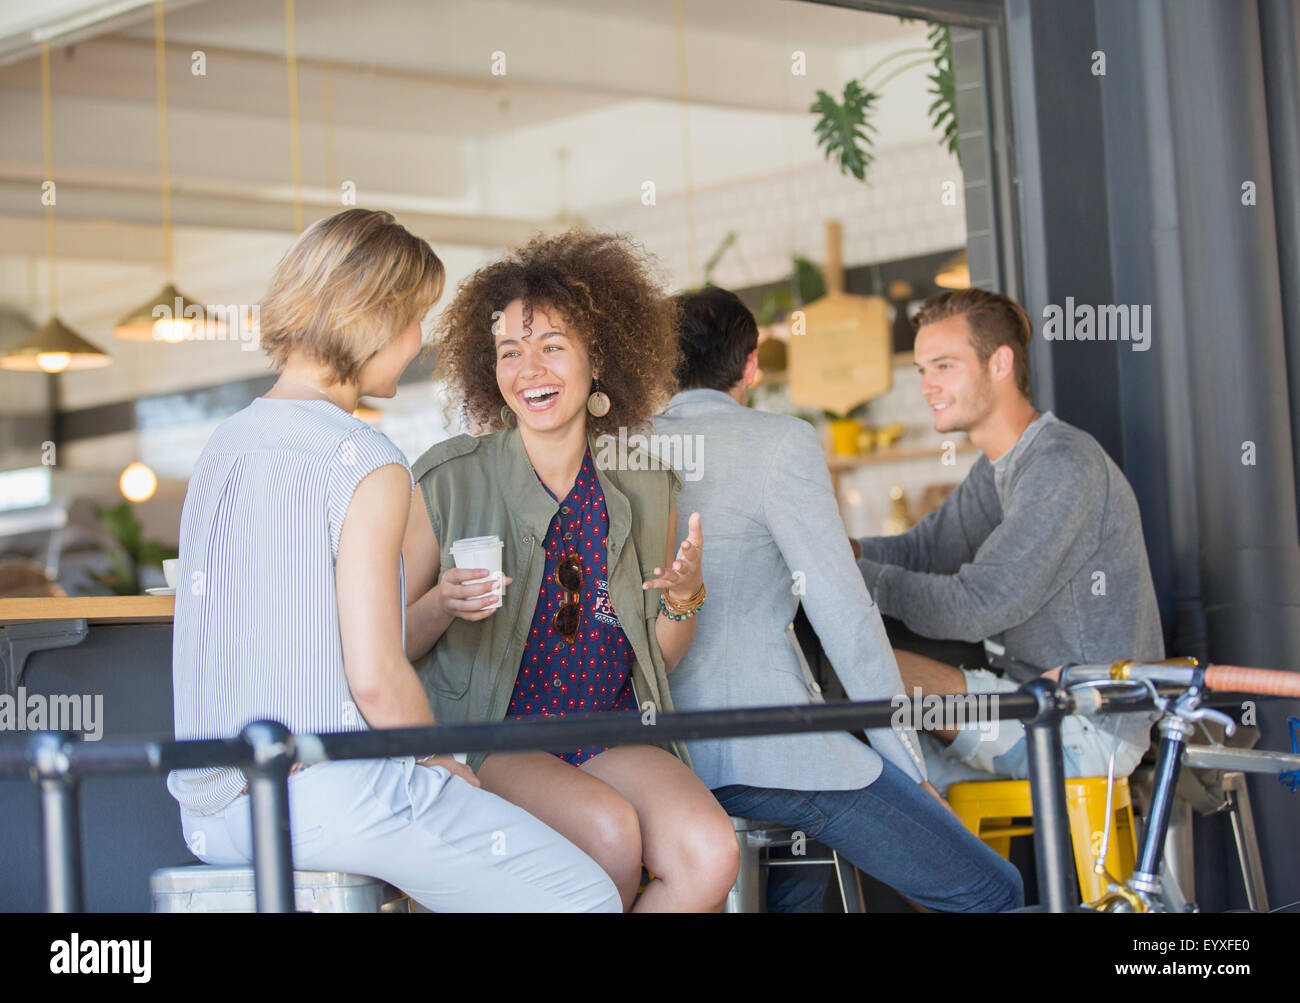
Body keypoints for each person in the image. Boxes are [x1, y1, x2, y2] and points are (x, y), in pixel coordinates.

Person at [168, 209, 620, 913]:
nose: (419, 343)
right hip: (331, 797)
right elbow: (376, 677)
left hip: (213, 814)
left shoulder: (223, 446)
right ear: (370, 317)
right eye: (414, 319)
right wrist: (441, 759)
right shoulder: (365, 460)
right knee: (584, 894)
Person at [653, 285, 1023, 913]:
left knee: (795, 884)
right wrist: (911, 766)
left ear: (660, 365)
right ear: (751, 366)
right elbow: (846, 620)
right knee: (990, 889)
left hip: (663, 767)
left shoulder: (618, 450)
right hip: (773, 752)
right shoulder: (779, 442)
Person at [403, 230, 740, 912]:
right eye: (510, 351)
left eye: (552, 345)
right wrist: (441, 602)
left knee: (712, 853)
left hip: (607, 725)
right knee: (609, 836)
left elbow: (661, 658)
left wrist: (683, 596)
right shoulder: (446, 480)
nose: (530, 368)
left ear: (598, 360)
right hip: (495, 734)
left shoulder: (647, 487)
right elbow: (385, 644)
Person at [850, 287, 1165, 792]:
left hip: (1088, 726)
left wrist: (853, 577)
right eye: (922, 370)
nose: (928, 385)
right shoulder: (999, 469)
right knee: (868, 724)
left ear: (999, 363)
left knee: (859, 668)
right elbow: (924, 551)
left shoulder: (1062, 466)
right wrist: (843, 552)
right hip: (1032, 699)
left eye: (945, 366)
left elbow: (977, 605)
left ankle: (960, 866)